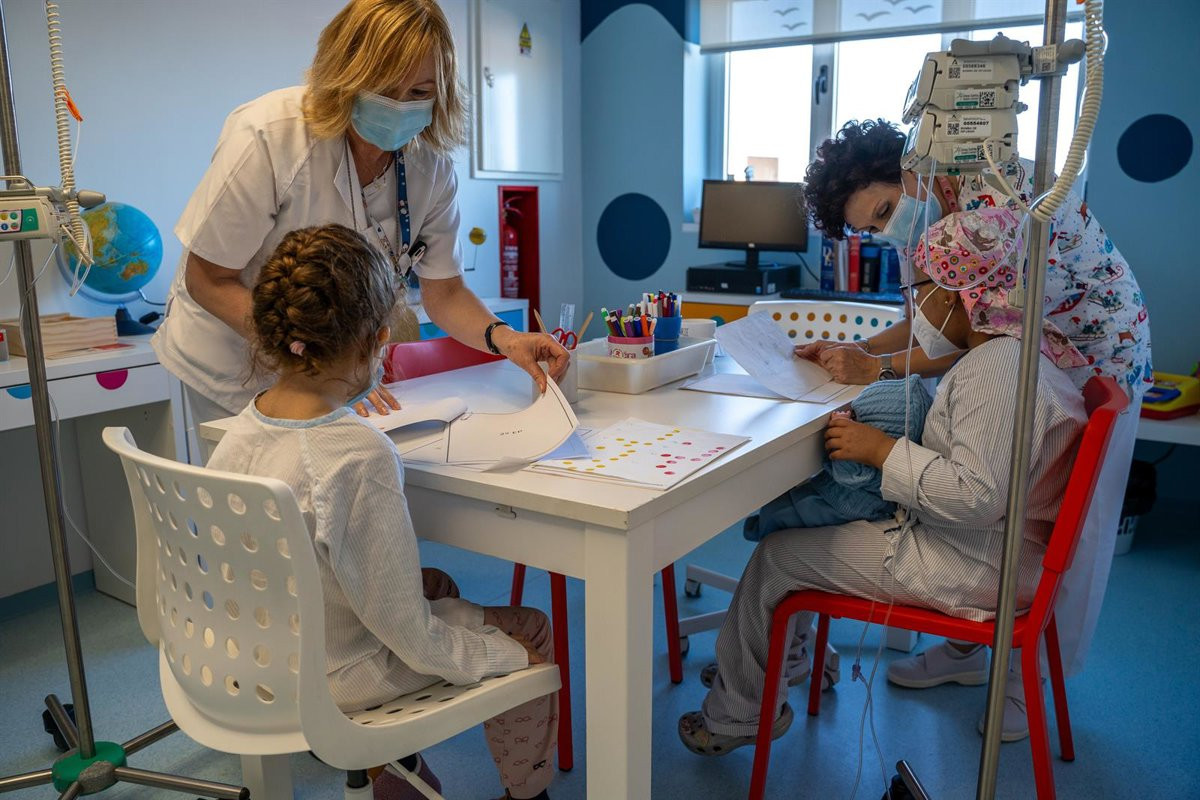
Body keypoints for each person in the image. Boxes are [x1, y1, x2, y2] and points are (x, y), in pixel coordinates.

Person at [797, 119, 1152, 739]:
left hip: (1096, 358)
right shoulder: (937, 216)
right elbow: (937, 319)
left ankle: (1026, 682)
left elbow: (977, 342)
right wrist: (851, 348)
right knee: (991, 500)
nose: (887, 229)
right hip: (1031, 354)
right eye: (875, 227)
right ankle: (966, 652)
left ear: (910, 167)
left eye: (885, 210)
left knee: (1055, 523)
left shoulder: (990, 207)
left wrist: (874, 365)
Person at [677, 232, 1087, 756]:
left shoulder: (997, 372)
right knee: (810, 522)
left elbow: (978, 496)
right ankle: (784, 659)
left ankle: (738, 716)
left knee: (776, 561)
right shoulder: (1018, 354)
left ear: (958, 292)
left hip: (972, 564)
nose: (913, 311)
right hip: (998, 553)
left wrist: (879, 451)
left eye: (918, 294)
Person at [206, 224, 557, 800]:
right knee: (532, 633)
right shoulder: (357, 454)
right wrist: (498, 653)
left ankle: (395, 776)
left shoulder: (239, 432)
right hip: (331, 677)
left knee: (435, 583)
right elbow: (409, 635)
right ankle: (528, 796)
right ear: (377, 339)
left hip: (252, 655)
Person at [153, 0, 567, 429]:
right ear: (344, 77)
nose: (401, 107)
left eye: (420, 93)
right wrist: (321, 363)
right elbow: (207, 279)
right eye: (384, 89)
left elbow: (444, 292)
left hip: (336, 378)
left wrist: (507, 339)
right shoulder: (270, 136)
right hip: (229, 368)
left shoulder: (432, 165)